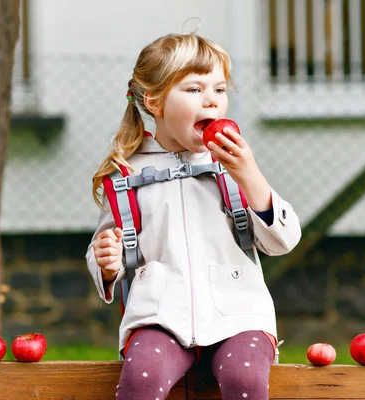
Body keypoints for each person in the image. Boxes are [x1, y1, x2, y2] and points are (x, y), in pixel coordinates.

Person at [85, 31, 301, 400]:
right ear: (154, 101)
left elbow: (282, 240)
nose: (212, 101)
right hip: (160, 314)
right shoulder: (125, 176)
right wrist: (105, 261)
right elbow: (110, 247)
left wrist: (250, 176)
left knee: (244, 378)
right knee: (142, 376)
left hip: (239, 314)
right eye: (194, 90)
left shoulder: (233, 167)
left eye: (219, 90)